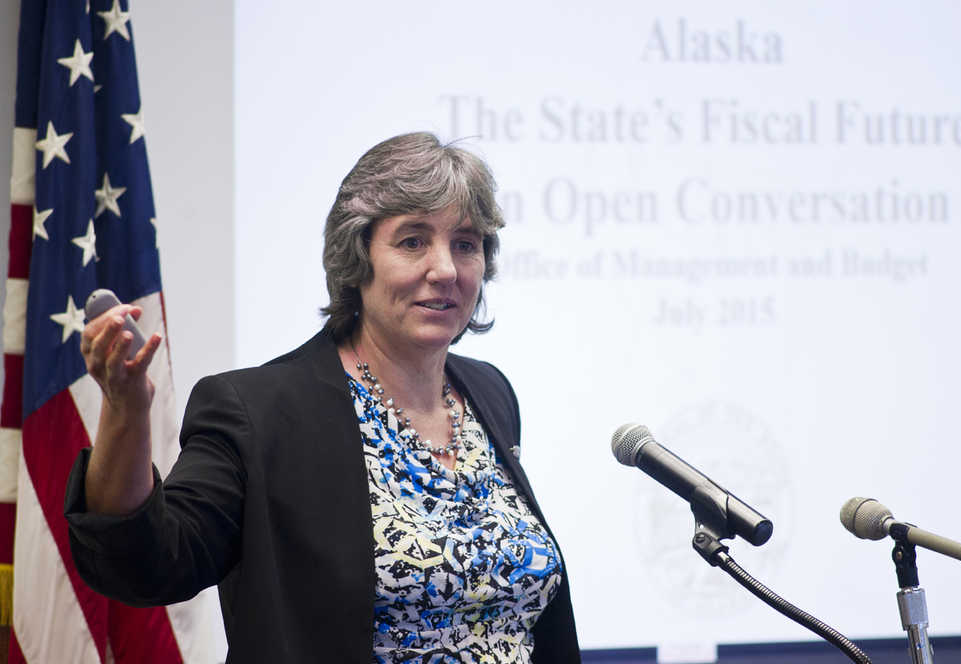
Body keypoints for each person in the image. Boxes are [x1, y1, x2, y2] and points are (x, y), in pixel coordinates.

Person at [65, 132, 582, 663]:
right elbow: (151, 563)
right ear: (357, 258)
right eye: (412, 242)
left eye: (465, 244)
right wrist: (126, 412)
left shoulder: (490, 393)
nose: (446, 269)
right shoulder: (258, 410)